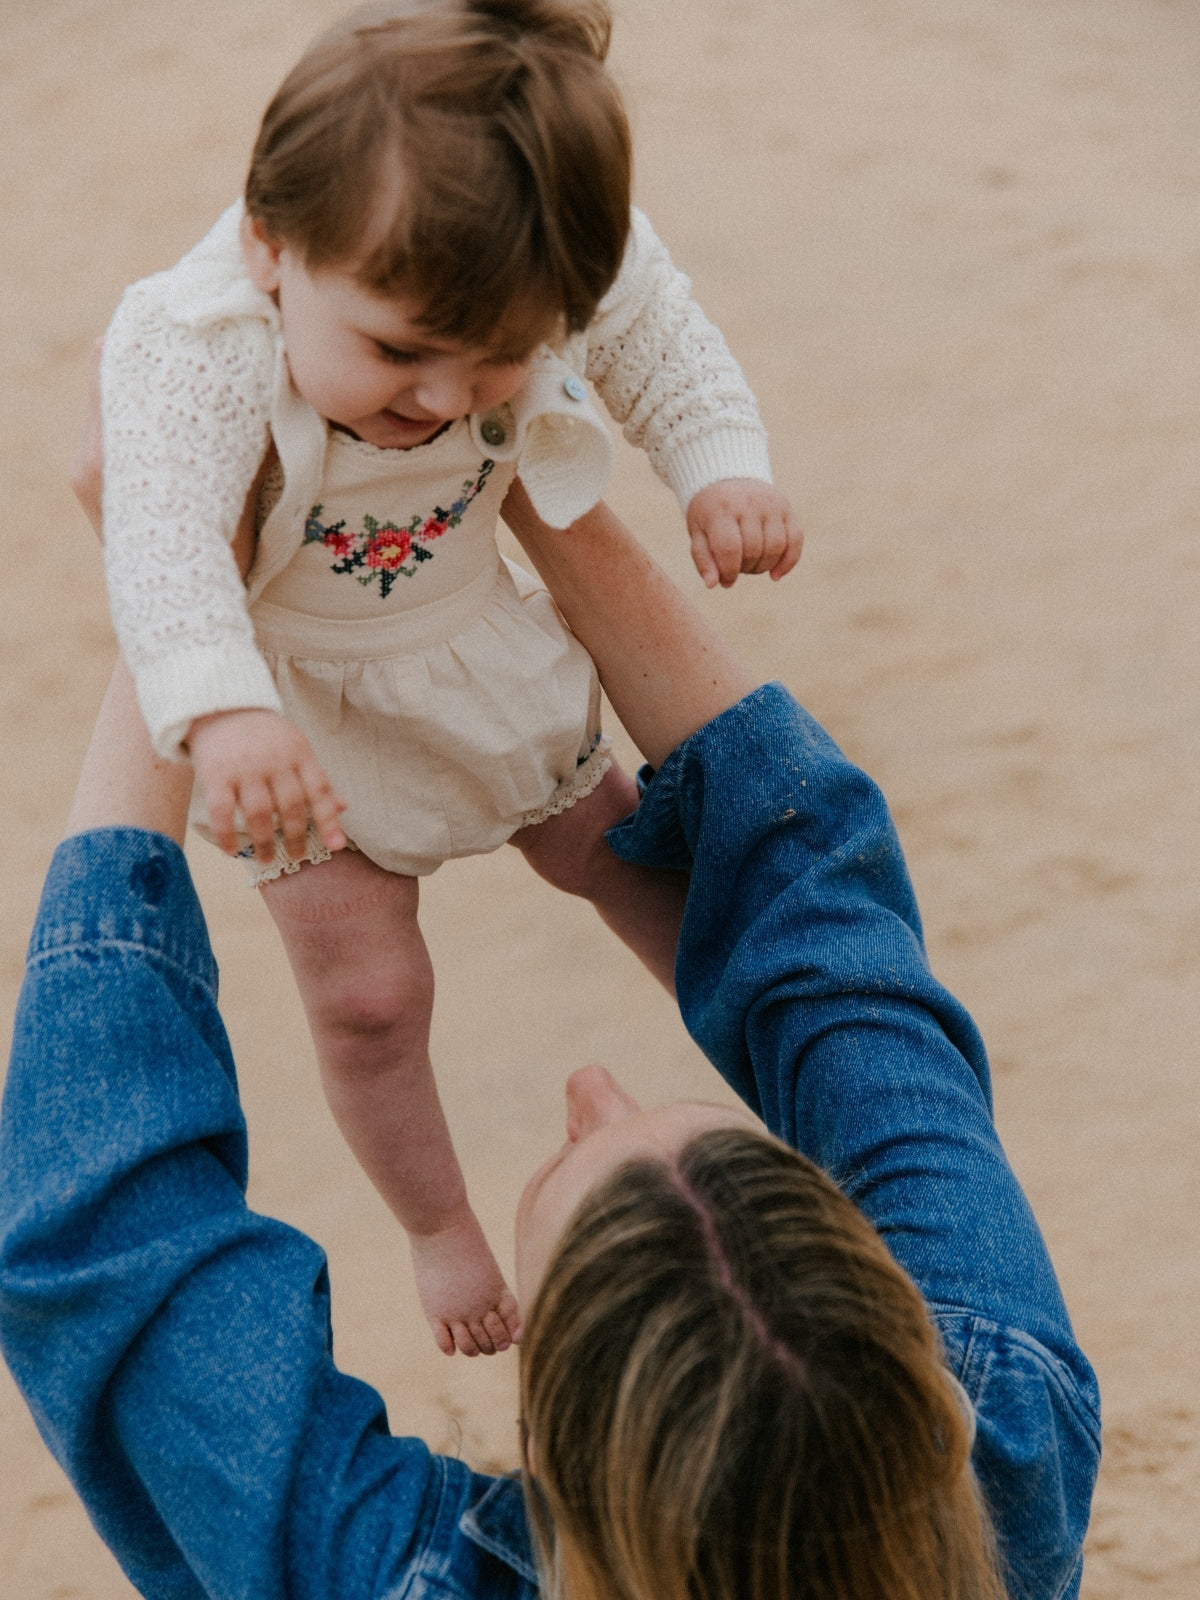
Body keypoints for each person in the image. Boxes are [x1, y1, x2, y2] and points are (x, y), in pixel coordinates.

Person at [0, 492, 1098, 1599]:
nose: (595, 1090)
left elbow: (103, 1237)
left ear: (545, 1456)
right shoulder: (1003, 1446)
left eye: (571, 1161)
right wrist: (519, 469)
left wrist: (182, 579)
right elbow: (826, 944)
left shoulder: (1016, 1438)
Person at [98, 0, 802, 1357]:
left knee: (638, 867)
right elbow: (160, 530)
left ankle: (790, 1087)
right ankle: (438, 1228)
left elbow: (656, 335)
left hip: (475, 636)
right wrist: (222, 704)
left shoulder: (532, 261)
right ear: (269, 245)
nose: (437, 397)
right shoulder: (194, 343)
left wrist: (722, 463)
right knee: (367, 995)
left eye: (496, 361)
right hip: (296, 699)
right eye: (399, 351)